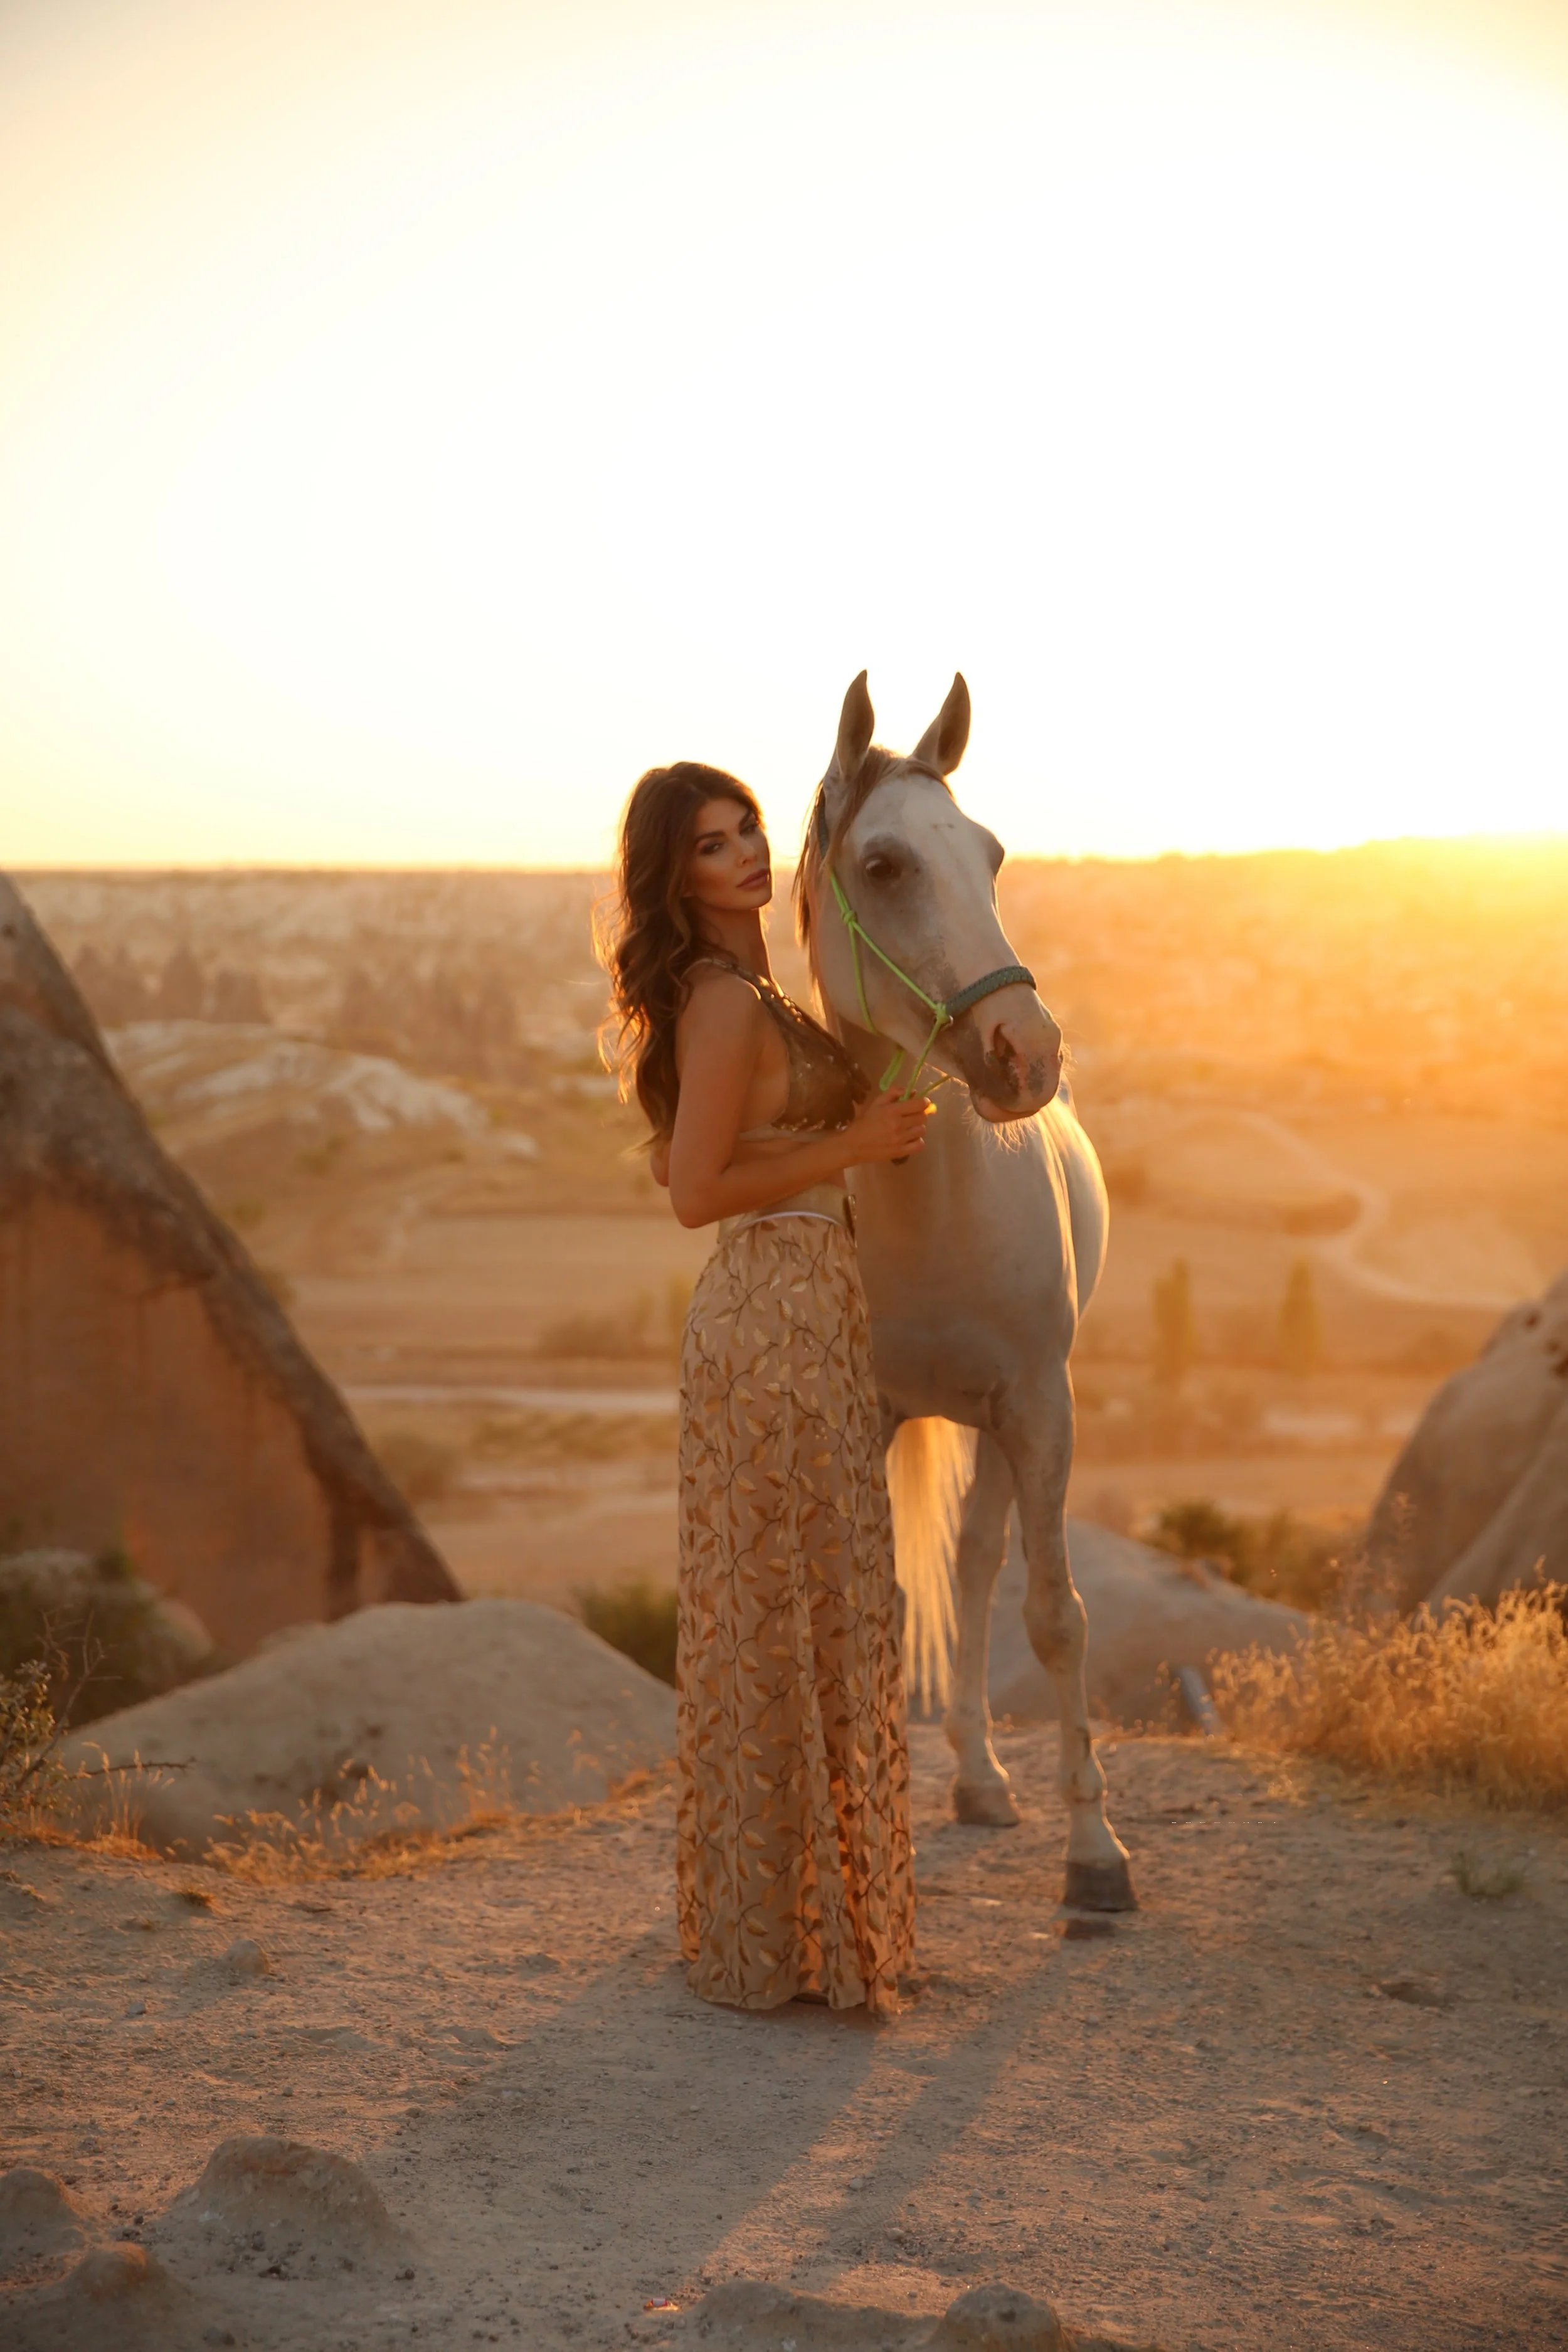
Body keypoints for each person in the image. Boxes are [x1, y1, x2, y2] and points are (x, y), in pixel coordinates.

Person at [600, 760, 926, 2016]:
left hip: (811, 1313)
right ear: (674, 877)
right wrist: (850, 1143)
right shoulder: (724, 1001)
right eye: (710, 844)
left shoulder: (756, 993)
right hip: (766, 1319)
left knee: (815, 1611)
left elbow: (713, 1151)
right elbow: (692, 1194)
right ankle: (782, 1942)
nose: (744, 852)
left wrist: (865, 1123)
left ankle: (809, 1933)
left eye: (747, 830)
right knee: (781, 1622)